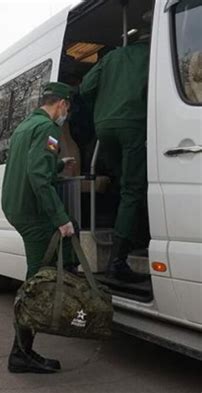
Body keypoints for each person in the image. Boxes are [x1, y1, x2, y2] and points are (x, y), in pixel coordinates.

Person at [1, 82, 78, 374]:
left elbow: (33, 166)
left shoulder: (25, 126)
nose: (65, 114)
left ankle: (23, 350)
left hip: (17, 207)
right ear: (61, 105)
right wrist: (61, 218)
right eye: (66, 109)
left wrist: (59, 165)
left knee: (39, 275)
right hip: (33, 213)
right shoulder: (49, 129)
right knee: (36, 282)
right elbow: (37, 176)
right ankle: (20, 353)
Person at [80, 28, 150, 283]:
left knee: (125, 187)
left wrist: (105, 104)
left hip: (104, 127)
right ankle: (117, 262)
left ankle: (136, 236)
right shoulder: (153, 56)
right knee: (133, 189)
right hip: (133, 124)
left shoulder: (111, 57)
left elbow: (86, 87)